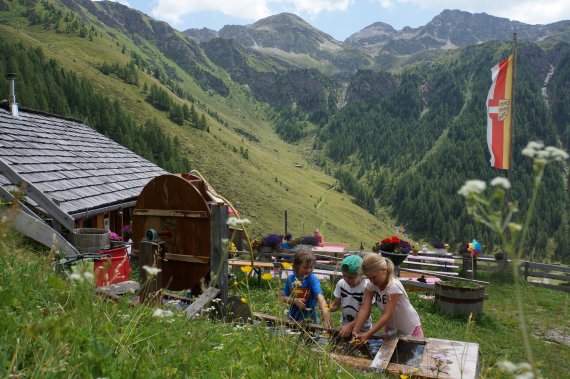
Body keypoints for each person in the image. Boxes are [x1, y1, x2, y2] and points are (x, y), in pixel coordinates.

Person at [352, 254, 423, 342]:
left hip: (409, 328)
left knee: (412, 355)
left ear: (384, 270)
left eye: (373, 277)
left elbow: (387, 314)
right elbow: (364, 309)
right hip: (391, 328)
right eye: (368, 278)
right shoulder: (371, 285)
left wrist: (368, 334)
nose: (371, 281)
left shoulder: (393, 286)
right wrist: (355, 330)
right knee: (390, 354)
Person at [280, 250, 332, 327]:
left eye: (311, 267)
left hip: (310, 319)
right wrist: (294, 301)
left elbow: (320, 296)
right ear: (297, 266)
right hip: (293, 317)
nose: (308, 270)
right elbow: (282, 298)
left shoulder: (312, 279)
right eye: (305, 267)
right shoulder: (290, 279)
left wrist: (325, 311)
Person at [329, 254, 372, 337]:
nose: (346, 279)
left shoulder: (367, 287)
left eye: (351, 277)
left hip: (363, 329)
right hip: (345, 326)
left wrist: (350, 326)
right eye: (344, 275)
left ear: (361, 275)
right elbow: (336, 305)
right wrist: (328, 308)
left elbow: (366, 313)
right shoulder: (341, 284)